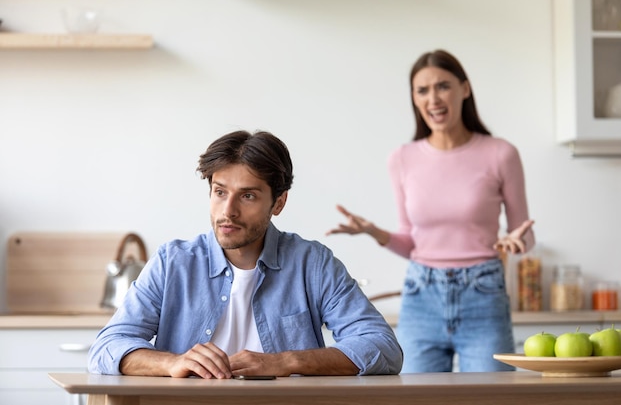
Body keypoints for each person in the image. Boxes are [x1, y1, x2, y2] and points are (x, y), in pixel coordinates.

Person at [88, 130, 403, 379]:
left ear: (278, 203)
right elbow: (106, 349)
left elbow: (382, 347)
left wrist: (286, 362)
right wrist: (172, 363)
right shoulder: (173, 262)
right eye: (220, 192)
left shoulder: (312, 263)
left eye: (248, 196)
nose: (229, 212)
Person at [327, 49, 535, 373]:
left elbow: (525, 231)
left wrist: (517, 241)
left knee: (490, 399)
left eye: (443, 86)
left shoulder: (501, 154)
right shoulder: (402, 158)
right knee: (414, 396)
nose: (433, 98)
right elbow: (412, 242)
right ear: (414, 98)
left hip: (484, 294)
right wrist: (374, 232)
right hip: (421, 297)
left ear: (464, 89)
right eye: (422, 90)